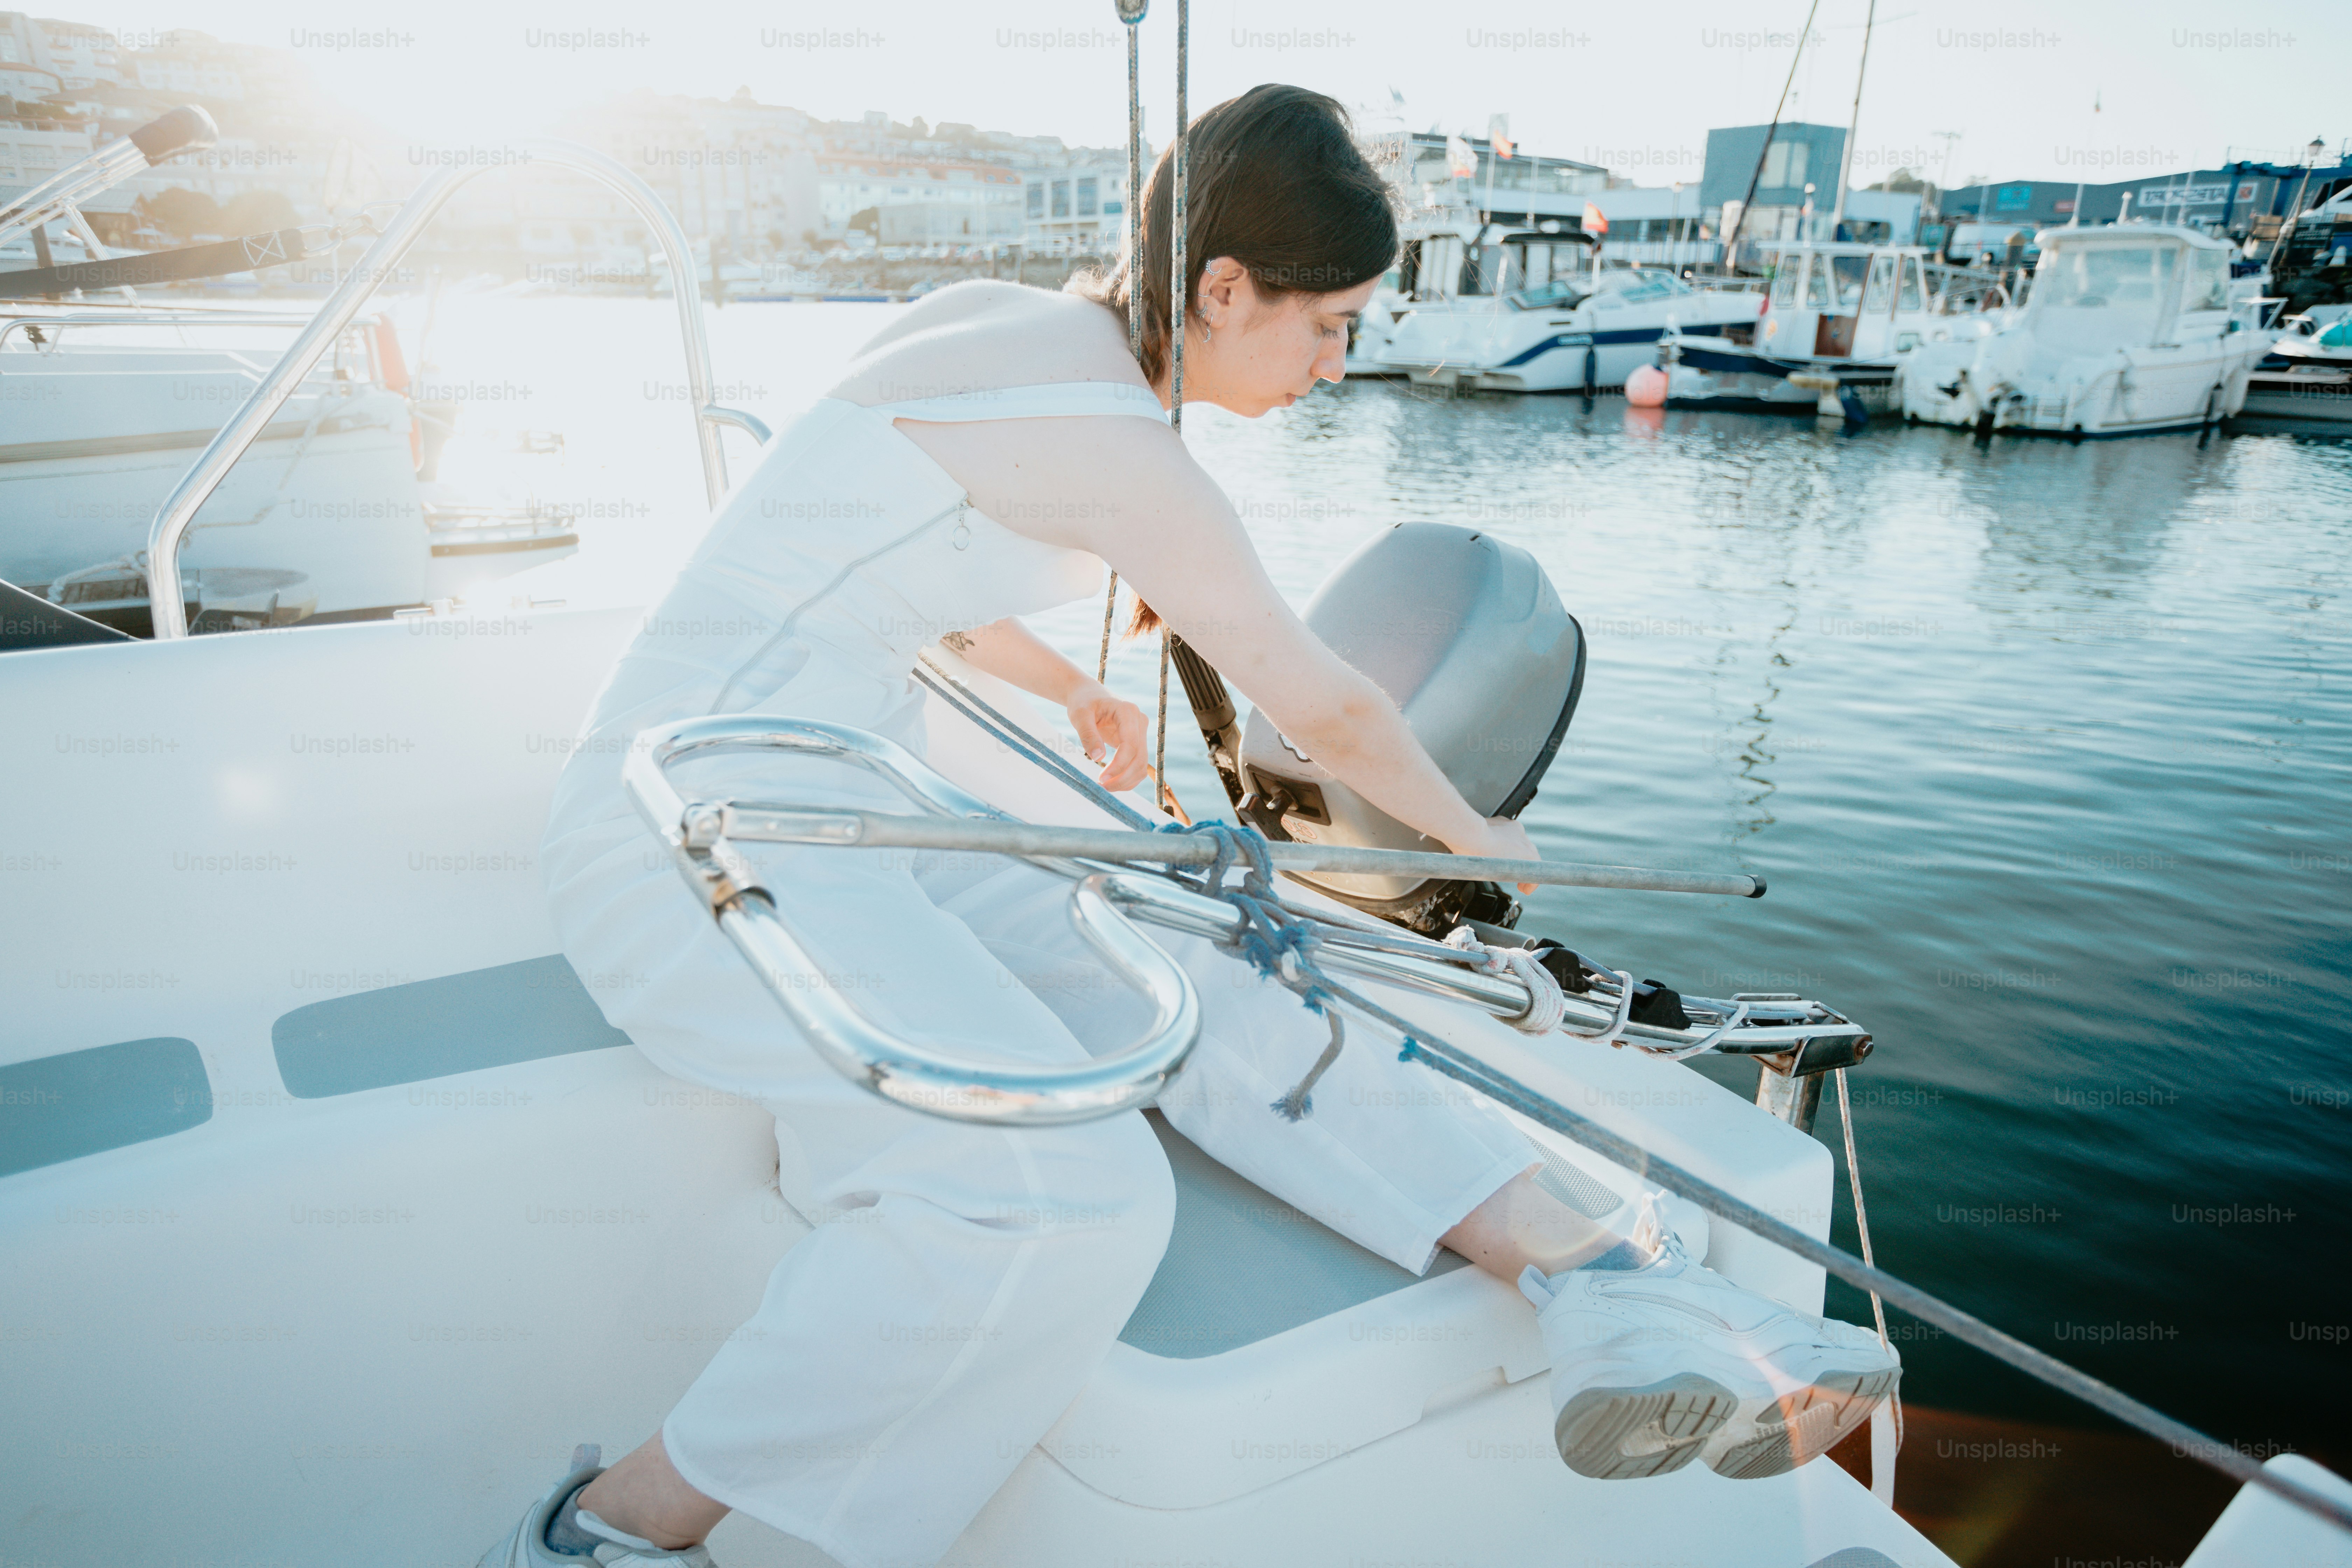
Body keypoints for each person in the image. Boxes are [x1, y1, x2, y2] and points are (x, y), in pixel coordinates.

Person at [484, 84, 1897, 1568]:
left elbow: (875, 554)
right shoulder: (1119, 441)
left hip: (859, 815)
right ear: (1222, 289)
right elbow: (1330, 711)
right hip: (691, 842)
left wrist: (1061, 688)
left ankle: (1604, 1273)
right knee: (1058, 1193)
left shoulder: (1002, 328)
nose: (1338, 364)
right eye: (1327, 323)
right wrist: (1479, 837)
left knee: (1225, 967)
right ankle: (609, 1528)